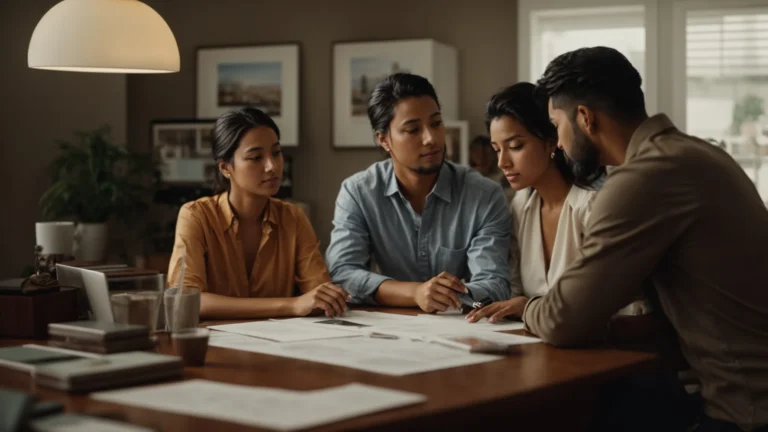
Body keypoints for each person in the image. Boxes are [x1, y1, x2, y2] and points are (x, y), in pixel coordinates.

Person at [518, 47, 768, 431]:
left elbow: (563, 320)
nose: (559, 144)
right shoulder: (696, 154)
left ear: (584, 118)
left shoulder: (645, 178)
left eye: (556, 126)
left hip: (746, 411)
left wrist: (527, 307)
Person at [326, 73, 514, 312]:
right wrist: (414, 293)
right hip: (388, 330)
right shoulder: (358, 193)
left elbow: (495, 284)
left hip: (463, 326)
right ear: (384, 140)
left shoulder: (484, 195)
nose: (431, 138)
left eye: (436, 123)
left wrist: (444, 295)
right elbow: (343, 273)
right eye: (413, 129)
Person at [466, 82, 648, 323]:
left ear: (551, 141)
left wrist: (531, 308)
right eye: (496, 149)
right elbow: (514, 292)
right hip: (537, 344)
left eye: (515, 146)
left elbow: (626, 305)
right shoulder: (520, 206)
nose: (502, 162)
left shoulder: (594, 205)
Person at [167, 107, 349, 320]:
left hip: (279, 344)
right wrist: (290, 305)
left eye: (276, 152)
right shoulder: (196, 216)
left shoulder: (293, 217)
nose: (272, 166)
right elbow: (187, 300)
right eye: (255, 157)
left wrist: (323, 299)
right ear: (226, 167)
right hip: (214, 344)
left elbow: (320, 295)